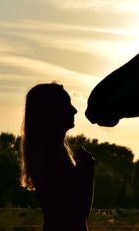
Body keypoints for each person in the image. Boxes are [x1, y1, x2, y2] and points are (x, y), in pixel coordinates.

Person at [20, 83, 94, 231]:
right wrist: (87, 172)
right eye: (66, 105)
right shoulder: (50, 157)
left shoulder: (46, 153)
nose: (74, 110)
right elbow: (77, 217)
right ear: (51, 111)